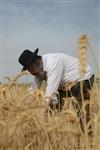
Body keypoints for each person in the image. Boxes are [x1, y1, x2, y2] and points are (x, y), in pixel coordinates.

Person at [18, 48, 94, 132]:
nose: (30, 73)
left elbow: (50, 91)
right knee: (53, 110)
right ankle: (54, 135)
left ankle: (89, 139)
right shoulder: (39, 71)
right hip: (65, 85)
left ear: (36, 62)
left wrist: (41, 113)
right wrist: (23, 111)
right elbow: (33, 90)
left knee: (81, 109)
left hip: (82, 77)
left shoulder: (53, 62)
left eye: (30, 69)